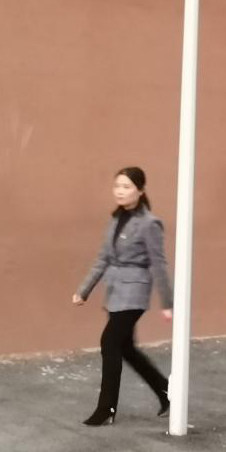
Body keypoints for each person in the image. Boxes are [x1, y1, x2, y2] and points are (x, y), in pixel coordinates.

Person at [73, 167, 172, 426]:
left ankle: (106, 408)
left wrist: (167, 303)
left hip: (134, 292)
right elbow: (103, 258)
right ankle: (165, 391)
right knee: (125, 347)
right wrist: (84, 290)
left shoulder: (149, 223)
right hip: (115, 291)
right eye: (117, 185)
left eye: (126, 186)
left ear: (140, 191)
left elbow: (159, 263)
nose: (120, 191)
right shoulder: (116, 219)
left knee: (109, 342)